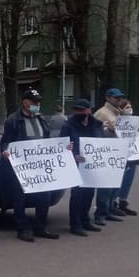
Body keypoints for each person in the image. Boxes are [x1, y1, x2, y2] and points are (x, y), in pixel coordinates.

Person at [0, 88, 62, 242]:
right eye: (34, 102)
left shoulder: (41, 119)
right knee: (20, 198)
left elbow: (47, 140)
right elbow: (5, 141)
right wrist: (6, 151)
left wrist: (60, 148)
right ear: (25, 103)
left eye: (38, 102)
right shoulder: (13, 120)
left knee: (44, 196)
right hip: (21, 167)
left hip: (39, 166)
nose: (37, 105)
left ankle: (41, 227)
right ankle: (23, 228)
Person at [59, 99, 104, 236]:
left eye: (82, 110)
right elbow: (62, 145)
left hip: (91, 165)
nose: (79, 112)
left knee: (89, 193)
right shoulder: (68, 125)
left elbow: (101, 142)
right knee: (77, 195)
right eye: (77, 110)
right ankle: (75, 224)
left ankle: (85, 220)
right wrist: (74, 155)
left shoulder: (96, 124)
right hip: (76, 164)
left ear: (89, 110)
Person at [92, 88, 126, 224]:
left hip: (118, 153)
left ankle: (109, 209)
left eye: (120, 97)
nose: (119, 100)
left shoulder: (119, 113)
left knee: (114, 184)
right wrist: (109, 131)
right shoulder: (102, 113)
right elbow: (96, 131)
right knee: (105, 185)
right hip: (106, 154)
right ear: (108, 98)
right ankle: (100, 213)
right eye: (116, 97)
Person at [116, 99, 139, 216]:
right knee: (120, 179)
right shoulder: (117, 121)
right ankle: (114, 203)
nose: (130, 109)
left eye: (130, 107)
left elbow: (138, 137)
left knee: (128, 180)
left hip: (132, 154)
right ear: (121, 109)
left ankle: (123, 202)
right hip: (120, 155)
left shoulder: (134, 121)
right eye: (127, 107)